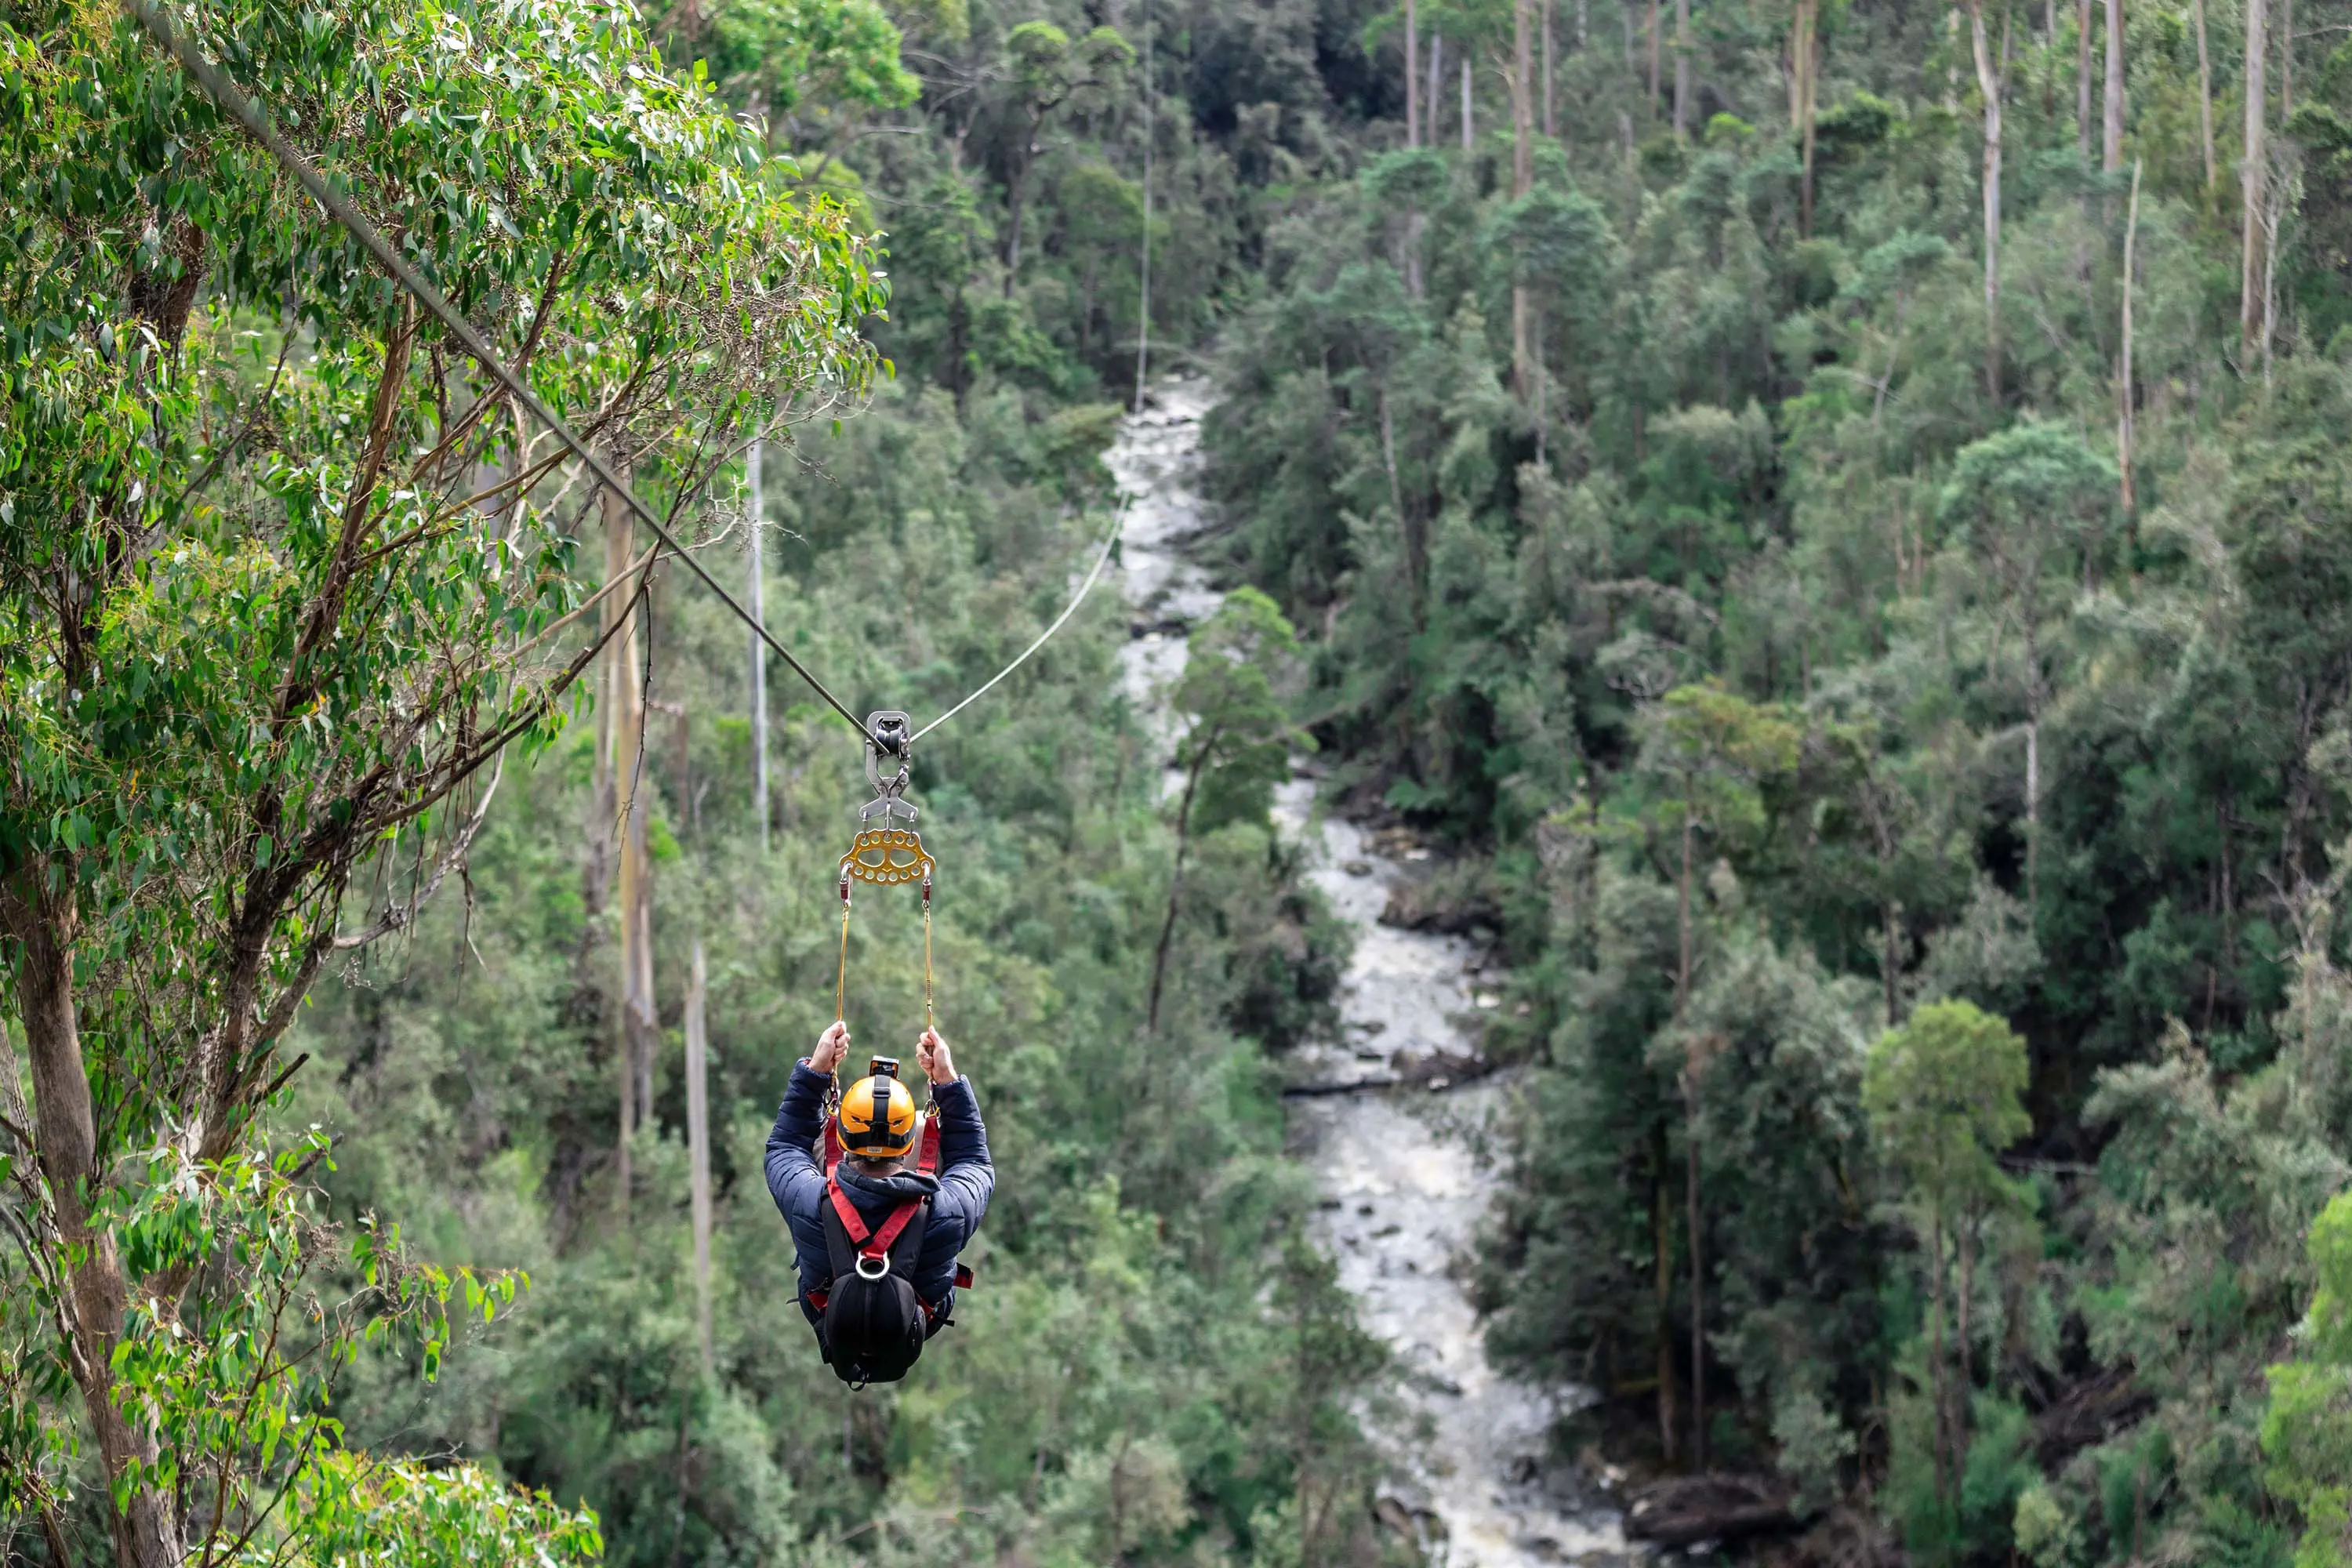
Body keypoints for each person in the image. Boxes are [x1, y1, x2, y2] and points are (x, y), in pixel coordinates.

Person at [764, 1021, 992, 1383]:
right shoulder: (946, 1212)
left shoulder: (808, 1201)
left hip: (831, 1313)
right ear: (907, 1146)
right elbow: (973, 1162)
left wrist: (817, 1072)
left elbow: (785, 1147)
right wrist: (946, 1080)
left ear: (843, 1137)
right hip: (913, 1322)